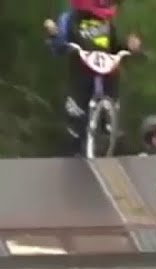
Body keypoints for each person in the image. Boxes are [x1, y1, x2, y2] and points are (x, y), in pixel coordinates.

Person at [43, 0, 142, 156]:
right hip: (82, 73)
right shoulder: (70, 19)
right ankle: (77, 141)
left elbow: (115, 47)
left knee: (112, 109)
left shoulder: (108, 23)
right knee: (77, 115)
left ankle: (111, 129)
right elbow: (59, 44)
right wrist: (54, 34)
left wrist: (129, 47)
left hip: (107, 73)